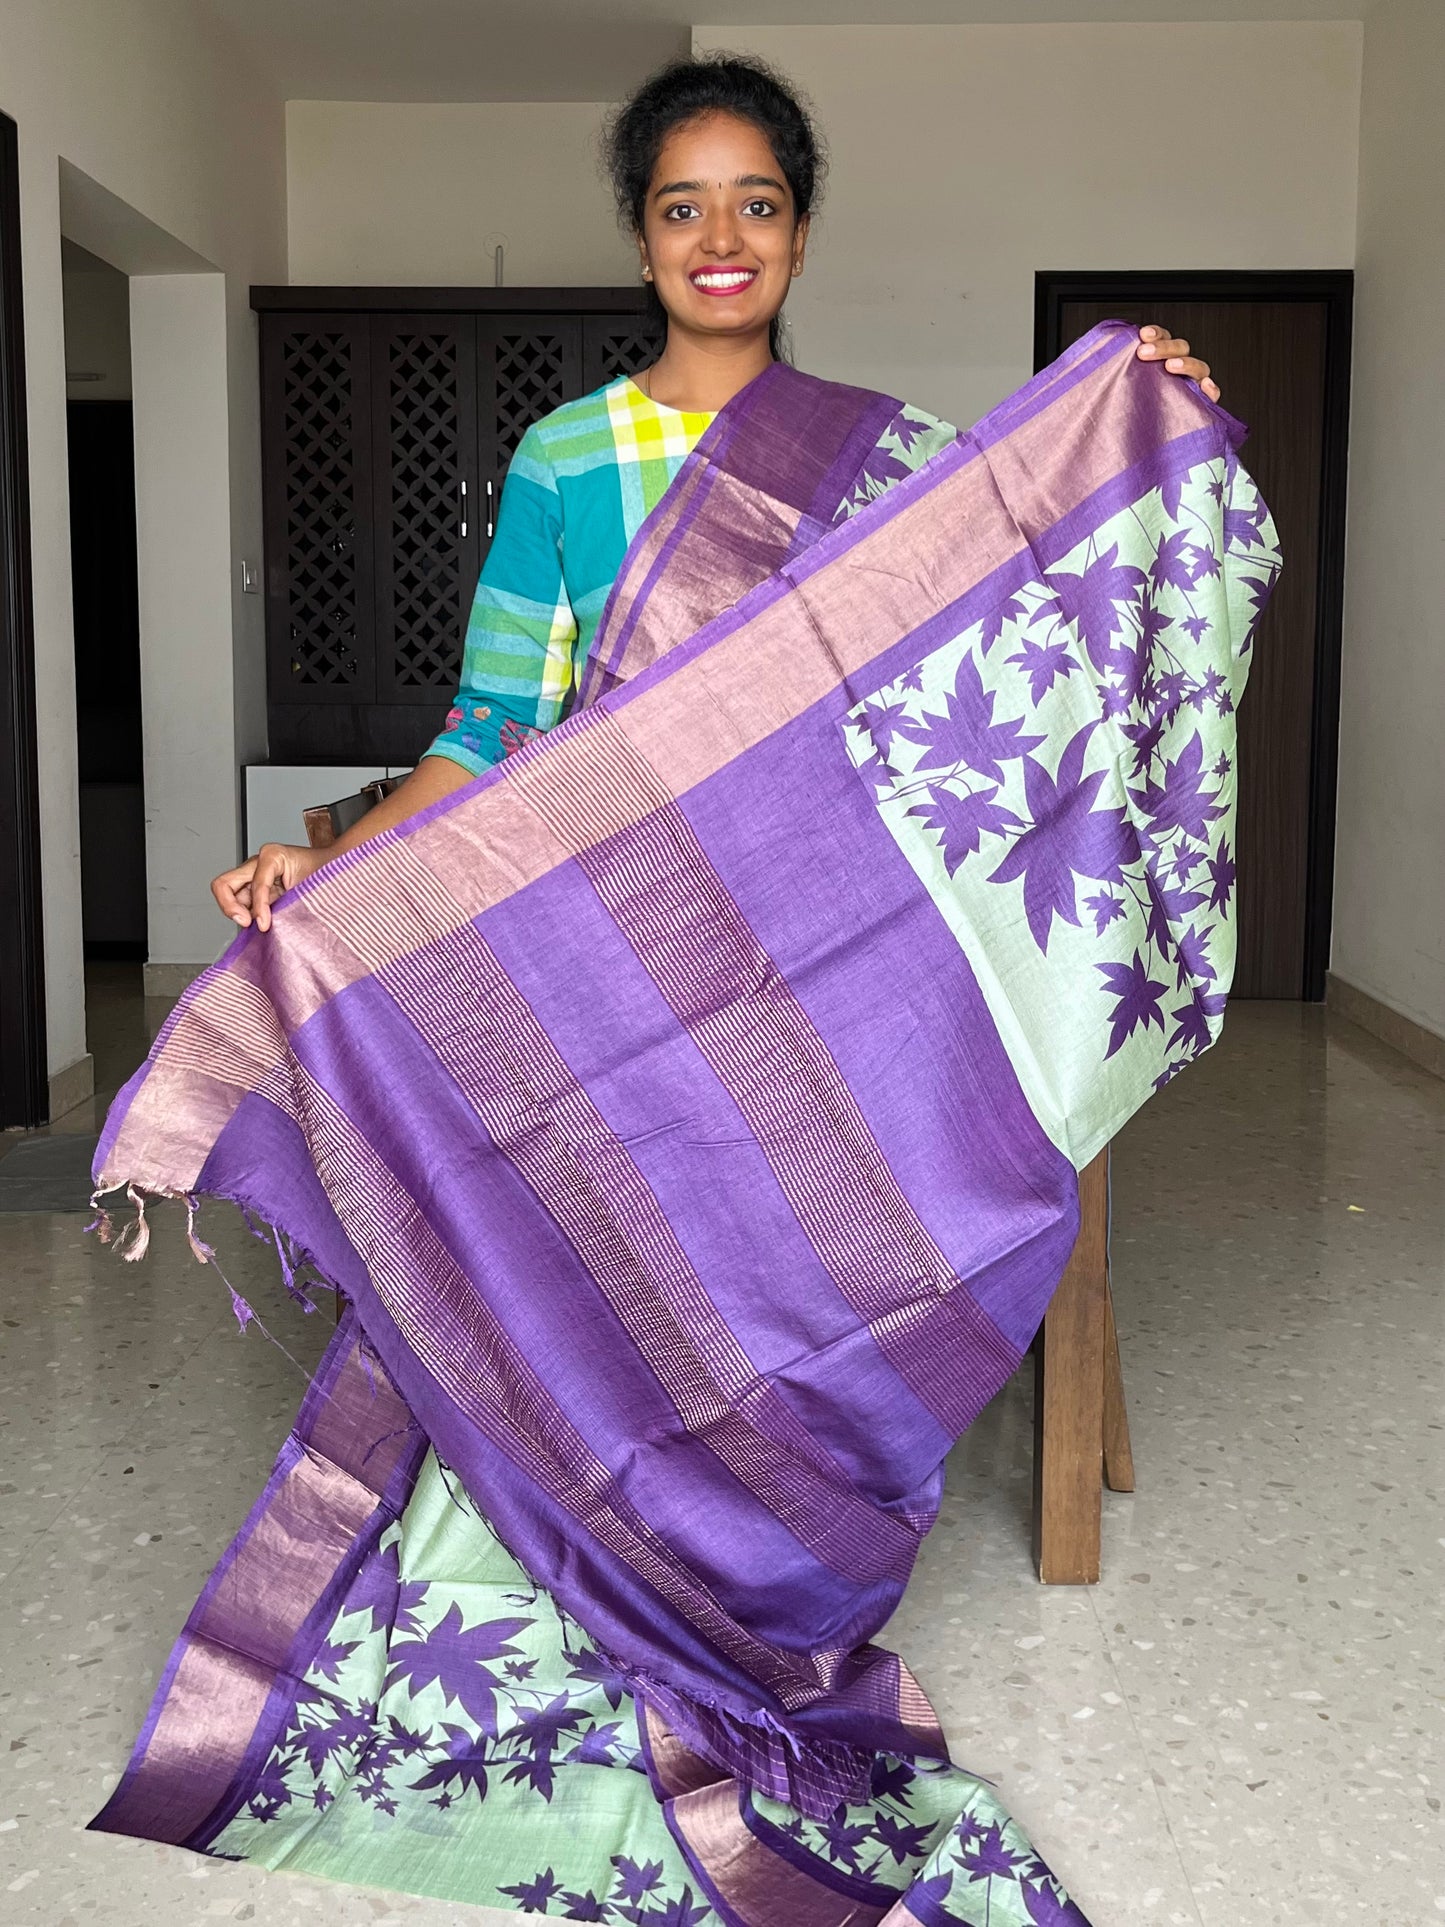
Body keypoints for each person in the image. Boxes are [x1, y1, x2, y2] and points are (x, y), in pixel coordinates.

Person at [212, 55, 1218, 936]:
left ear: (800, 234)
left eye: (758, 204)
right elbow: (494, 725)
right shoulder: (565, 455)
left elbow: (1028, 624)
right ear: (643, 243)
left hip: (847, 912)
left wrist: (1144, 430)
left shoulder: (899, 455)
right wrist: (333, 863)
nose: (721, 239)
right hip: (625, 908)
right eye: (681, 208)